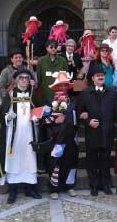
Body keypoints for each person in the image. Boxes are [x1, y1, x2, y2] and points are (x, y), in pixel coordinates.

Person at [0, 69, 42, 204]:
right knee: (14, 160)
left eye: (26, 78)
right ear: (16, 80)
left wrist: (37, 119)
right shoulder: (10, 95)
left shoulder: (33, 95)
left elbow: (38, 111)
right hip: (14, 136)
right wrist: (8, 117)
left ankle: (30, 189)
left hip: (30, 135)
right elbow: (2, 116)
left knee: (29, 160)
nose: (24, 80)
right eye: (21, 78)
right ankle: (12, 191)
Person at [77, 64, 117, 196]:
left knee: (105, 160)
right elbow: (79, 113)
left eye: (102, 75)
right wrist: (88, 121)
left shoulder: (111, 92)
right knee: (92, 160)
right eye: (98, 76)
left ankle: (105, 184)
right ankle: (93, 185)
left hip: (107, 132)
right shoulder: (85, 93)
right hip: (92, 132)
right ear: (92, 78)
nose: (100, 77)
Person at [46, 72, 79, 200]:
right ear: (55, 87)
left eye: (65, 86)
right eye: (60, 86)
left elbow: (78, 116)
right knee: (55, 162)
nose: (62, 88)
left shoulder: (74, 100)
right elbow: (44, 119)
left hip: (71, 136)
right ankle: (54, 188)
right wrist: (54, 120)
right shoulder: (49, 100)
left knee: (71, 161)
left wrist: (67, 117)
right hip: (56, 138)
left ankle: (70, 186)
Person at [36, 40, 68, 105]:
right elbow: (39, 78)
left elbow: (65, 78)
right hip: (45, 91)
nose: (53, 49)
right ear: (47, 48)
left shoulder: (63, 60)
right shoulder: (41, 61)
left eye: (55, 47)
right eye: (51, 47)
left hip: (59, 92)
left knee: (58, 111)